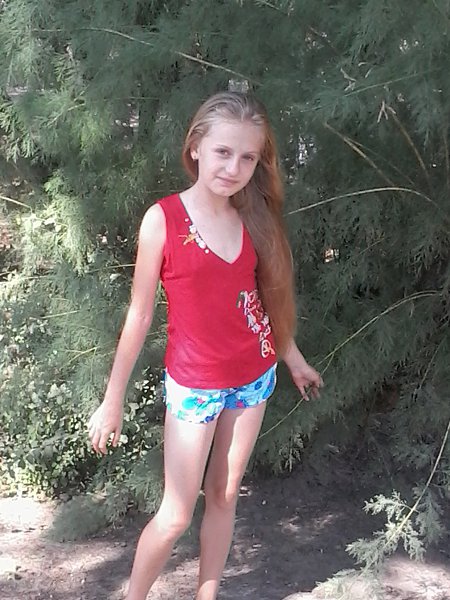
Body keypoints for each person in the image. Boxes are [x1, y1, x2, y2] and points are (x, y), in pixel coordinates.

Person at [88, 91, 323, 600]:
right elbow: (140, 315)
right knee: (176, 514)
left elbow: (264, 304)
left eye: (247, 157)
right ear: (195, 147)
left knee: (224, 493)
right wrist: (112, 400)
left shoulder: (254, 217)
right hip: (195, 387)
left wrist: (294, 360)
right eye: (223, 152)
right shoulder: (163, 220)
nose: (234, 168)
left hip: (254, 379)